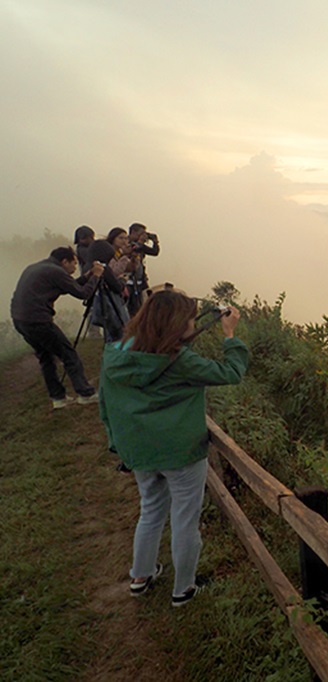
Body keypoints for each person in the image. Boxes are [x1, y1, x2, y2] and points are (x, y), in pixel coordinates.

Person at [99, 287, 246, 607]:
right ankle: (183, 589)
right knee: (184, 519)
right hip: (181, 453)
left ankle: (141, 576)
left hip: (139, 451)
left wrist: (119, 446)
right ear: (178, 325)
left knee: (150, 510)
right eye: (190, 321)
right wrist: (230, 334)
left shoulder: (116, 352)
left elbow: (105, 405)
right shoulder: (179, 361)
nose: (193, 326)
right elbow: (231, 373)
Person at [10, 246, 105, 408]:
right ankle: (85, 393)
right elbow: (83, 294)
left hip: (20, 320)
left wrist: (87, 276)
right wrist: (96, 276)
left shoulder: (39, 267)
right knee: (68, 354)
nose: (75, 268)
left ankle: (58, 398)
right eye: (73, 264)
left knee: (46, 357)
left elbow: (69, 286)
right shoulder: (56, 271)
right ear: (64, 261)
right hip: (38, 320)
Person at [85, 228, 133, 341]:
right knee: (117, 329)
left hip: (99, 299)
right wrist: (122, 280)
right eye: (121, 238)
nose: (124, 241)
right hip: (109, 300)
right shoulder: (104, 268)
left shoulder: (91, 265)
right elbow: (116, 287)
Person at [126, 223, 159, 314]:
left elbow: (154, 252)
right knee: (127, 309)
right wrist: (140, 242)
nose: (144, 236)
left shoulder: (140, 246)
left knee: (140, 308)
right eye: (141, 233)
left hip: (140, 282)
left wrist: (155, 242)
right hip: (127, 282)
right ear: (133, 232)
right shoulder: (126, 243)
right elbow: (132, 249)